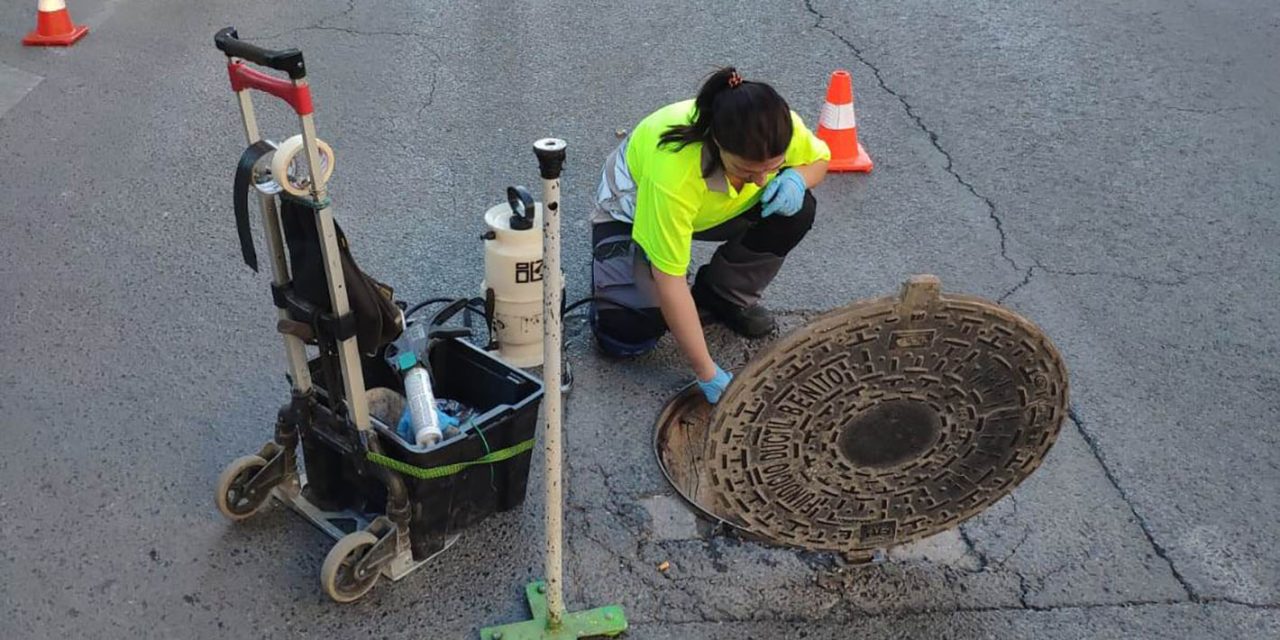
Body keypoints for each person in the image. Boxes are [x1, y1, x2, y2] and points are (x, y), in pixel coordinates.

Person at [589, 67, 831, 404]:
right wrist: (707, 372)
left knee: (798, 208)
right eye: (748, 170)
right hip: (632, 213)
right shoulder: (673, 174)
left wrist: (797, 179)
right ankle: (617, 288)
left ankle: (722, 296)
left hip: (713, 209)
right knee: (627, 334)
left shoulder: (776, 127)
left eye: (773, 167)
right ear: (718, 143)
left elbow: (819, 159)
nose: (762, 180)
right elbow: (670, 280)